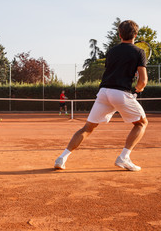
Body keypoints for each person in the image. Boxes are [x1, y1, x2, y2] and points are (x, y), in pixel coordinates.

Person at [54, 20, 148, 171]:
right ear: (135, 35)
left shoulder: (111, 52)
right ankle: (124, 157)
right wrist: (137, 90)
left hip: (104, 92)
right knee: (142, 123)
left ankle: (61, 158)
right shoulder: (139, 52)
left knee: (87, 128)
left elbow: (115, 71)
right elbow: (143, 81)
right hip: (121, 93)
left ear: (119, 35)